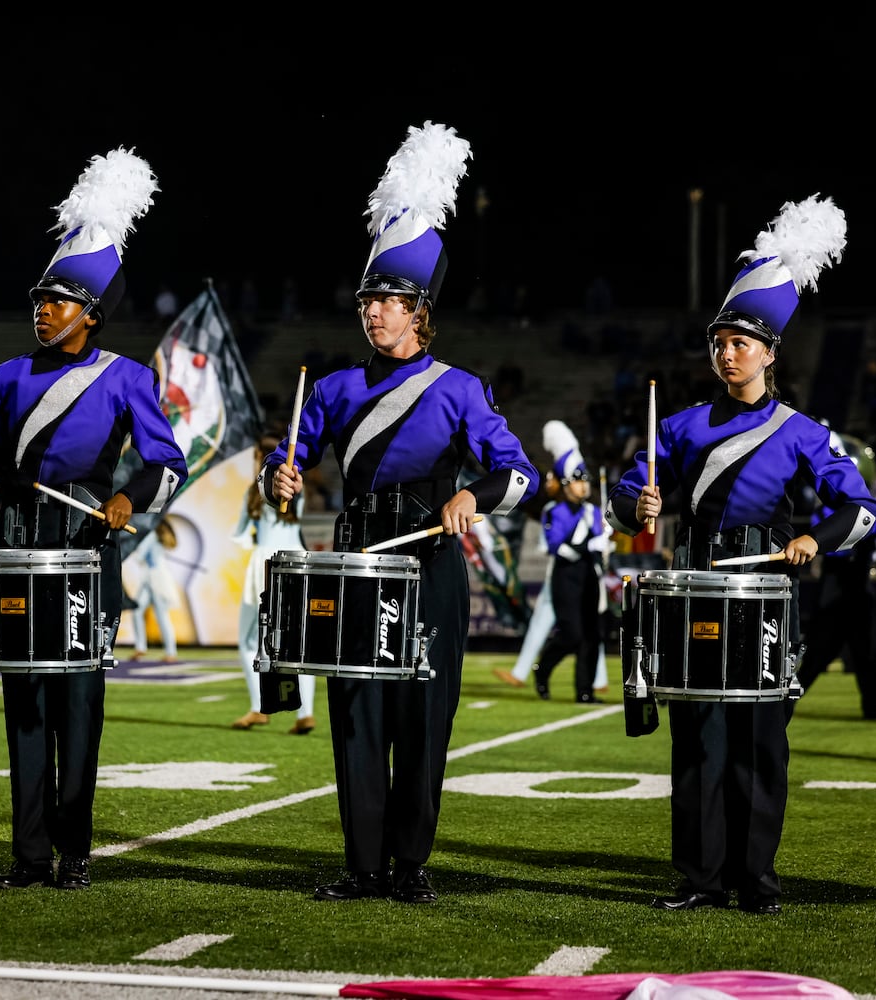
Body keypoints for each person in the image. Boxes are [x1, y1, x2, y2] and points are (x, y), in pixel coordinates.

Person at [262, 122, 539, 905]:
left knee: (421, 716)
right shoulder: (332, 388)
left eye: (388, 301)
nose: (373, 313)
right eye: (367, 300)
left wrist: (467, 495)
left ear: (420, 311)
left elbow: (520, 476)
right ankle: (360, 865)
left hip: (428, 562)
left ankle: (410, 863)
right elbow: (289, 467)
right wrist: (276, 482)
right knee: (355, 715)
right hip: (356, 559)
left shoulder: (458, 387)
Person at [607, 194, 876, 915]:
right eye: (719, 341)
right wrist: (637, 504)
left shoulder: (800, 431)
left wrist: (813, 539)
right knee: (698, 738)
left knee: (759, 740)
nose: (728, 353)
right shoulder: (684, 423)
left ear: (769, 353)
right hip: (695, 583)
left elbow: (860, 507)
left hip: (764, 590)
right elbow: (630, 485)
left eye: (741, 343)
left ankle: (754, 879)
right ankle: (698, 877)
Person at [0, 148, 187, 892]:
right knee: (24, 700)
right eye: (39, 298)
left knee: (78, 702)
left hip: (87, 541)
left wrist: (128, 499)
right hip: (20, 539)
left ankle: (75, 849)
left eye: (58, 300)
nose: (42, 309)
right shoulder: (0, 378)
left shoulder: (127, 377)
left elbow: (163, 461)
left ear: (90, 313)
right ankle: (28, 855)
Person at [796, 429, 876, 720]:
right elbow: (838, 544)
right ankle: (783, 702)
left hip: (857, 592)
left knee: (867, 654)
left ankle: (875, 708)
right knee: (816, 657)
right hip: (834, 592)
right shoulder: (826, 511)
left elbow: (873, 528)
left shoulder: (864, 511)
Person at [231, 430, 316, 734]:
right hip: (298, 561)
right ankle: (305, 713)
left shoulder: (255, 491)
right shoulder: (298, 489)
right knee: (300, 642)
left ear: (260, 457)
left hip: (265, 563)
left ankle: (258, 708)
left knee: (250, 640)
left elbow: (240, 532)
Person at [522, 420, 611, 703]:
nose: (583, 486)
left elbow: (597, 544)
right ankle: (542, 669)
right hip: (566, 576)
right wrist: (587, 542)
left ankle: (584, 692)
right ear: (564, 482)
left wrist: (603, 543)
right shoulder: (555, 511)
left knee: (592, 635)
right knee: (572, 633)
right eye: (577, 480)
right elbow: (555, 547)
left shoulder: (592, 511)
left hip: (589, 575)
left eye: (584, 480)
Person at [128, 518, 179, 663]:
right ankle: (141, 648)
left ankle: (170, 652)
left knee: (160, 615)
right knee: (138, 610)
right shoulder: (157, 536)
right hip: (151, 579)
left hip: (156, 579)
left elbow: (140, 556)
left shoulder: (150, 535)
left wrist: (134, 546)